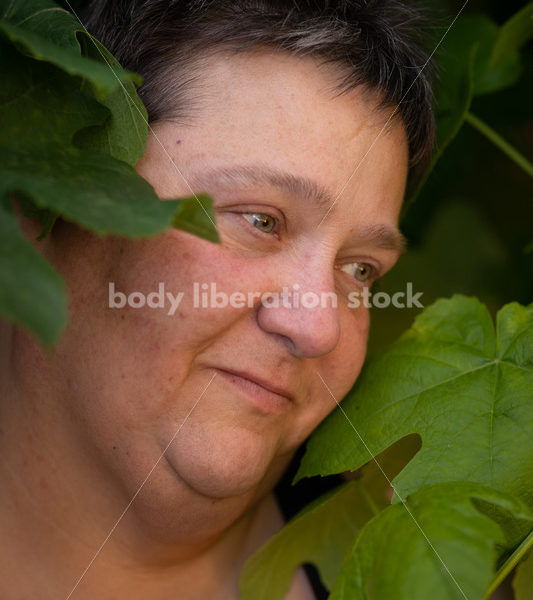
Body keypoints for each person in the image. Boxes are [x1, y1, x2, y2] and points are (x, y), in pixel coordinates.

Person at [0, 1, 434, 598]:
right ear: (45, 198)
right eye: (260, 220)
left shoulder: (417, 578)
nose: (318, 327)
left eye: (360, 269)